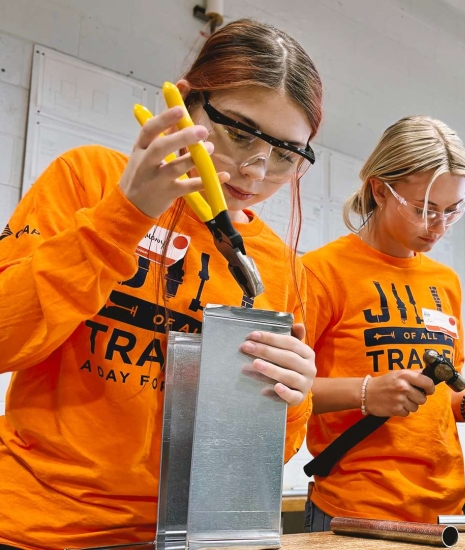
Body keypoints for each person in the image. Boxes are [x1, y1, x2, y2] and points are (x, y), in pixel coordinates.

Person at [0, 19, 321, 549]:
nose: (252, 169)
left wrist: (291, 398)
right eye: (238, 132)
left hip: (181, 537)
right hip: (37, 528)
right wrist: (123, 217)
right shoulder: (89, 179)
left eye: (286, 155)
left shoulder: (273, 263)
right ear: (188, 102)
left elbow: (263, 453)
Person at [301, 116, 465, 529]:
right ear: (380, 189)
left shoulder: (445, 283)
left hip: (446, 509)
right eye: (424, 209)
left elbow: (437, 398)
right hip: (354, 510)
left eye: (453, 211)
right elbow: (274, 390)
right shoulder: (320, 272)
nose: (439, 226)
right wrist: (365, 392)